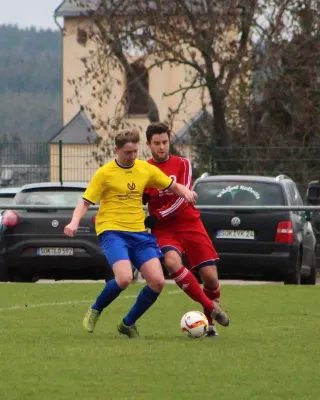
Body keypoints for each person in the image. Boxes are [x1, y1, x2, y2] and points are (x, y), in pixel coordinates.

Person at [65, 128, 209, 338]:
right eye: (127, 152)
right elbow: (85, 202)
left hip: (139, 233)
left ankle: (128, 323)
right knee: (124, 278)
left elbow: (171, 185)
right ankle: (96, 309)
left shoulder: (144, 169)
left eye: (135, 151)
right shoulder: (105, 173)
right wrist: (74, 222)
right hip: (112, 231)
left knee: (158, 282)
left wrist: (185, 191)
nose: (132, 156)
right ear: (117, 150)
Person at [143, 122, 229, 336]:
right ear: (148, 145)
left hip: (189, 223)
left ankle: (209, 324)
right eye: (157, 143)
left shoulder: (183, 164)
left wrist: (157, 215)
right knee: (172, 262)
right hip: (164, 230)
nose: (162, 147)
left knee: (210, 277)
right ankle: (211, 309)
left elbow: (183, 199)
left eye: (165, 142)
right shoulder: (143, 169)